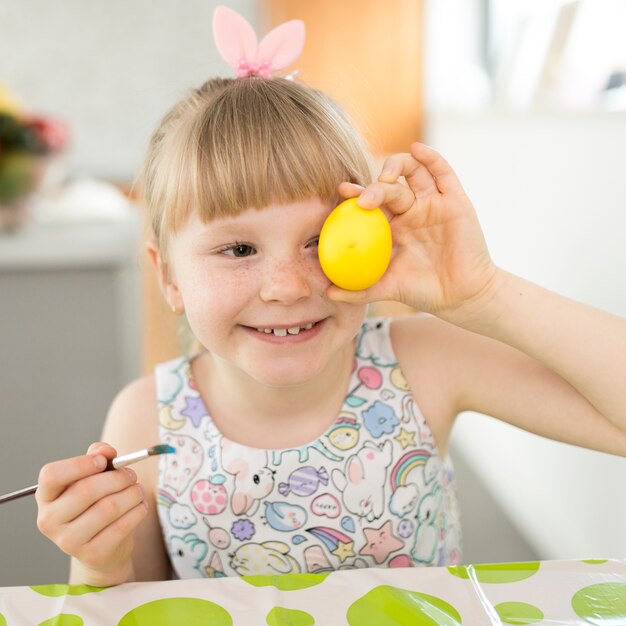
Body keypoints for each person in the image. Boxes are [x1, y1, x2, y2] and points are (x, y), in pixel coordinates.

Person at [35, 7, 626, 587]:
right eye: (239, 250)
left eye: (321, 241)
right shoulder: (147, 416)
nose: (288, 287)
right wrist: (99, 561)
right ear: (168, 278)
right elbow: (133, 600)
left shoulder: (424, 364)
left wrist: (484, 293)